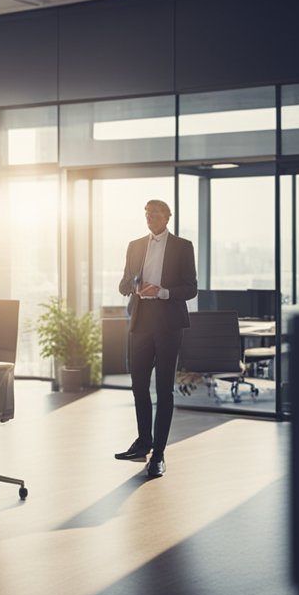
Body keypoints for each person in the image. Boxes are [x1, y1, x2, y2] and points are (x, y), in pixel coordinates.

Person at [114, 199, 196, 479]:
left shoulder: (183, 247)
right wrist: (136, 287)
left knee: (164, 389)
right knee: (138, 386)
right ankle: (143, 442)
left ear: (168, 217)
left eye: (157, 213)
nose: (151, 217)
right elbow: (123, 283)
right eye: (148, 213)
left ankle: (159, 452)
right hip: (140, 322)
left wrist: (161, 292)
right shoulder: (135, 245)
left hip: (168, 324)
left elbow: (191, 288)